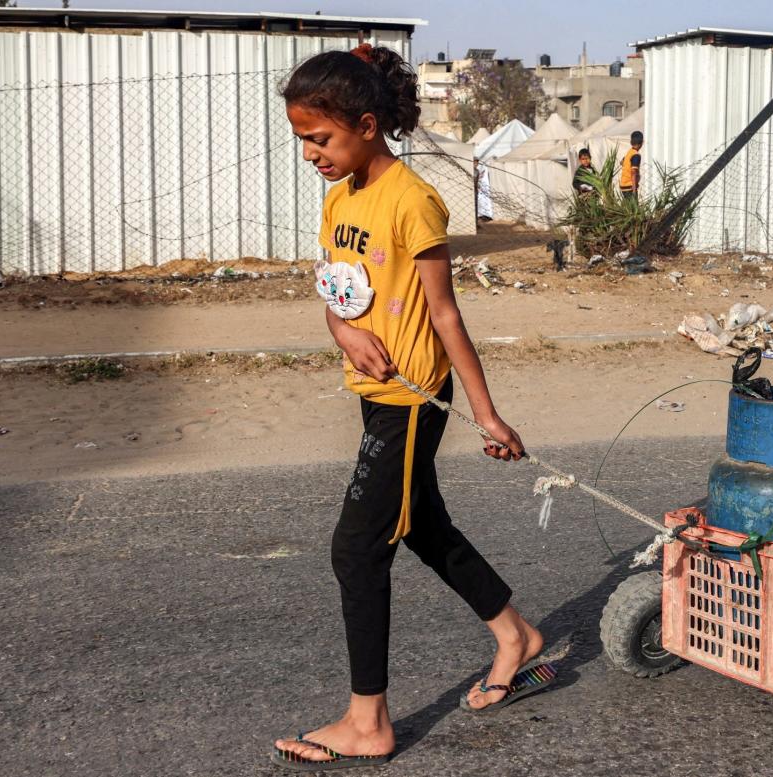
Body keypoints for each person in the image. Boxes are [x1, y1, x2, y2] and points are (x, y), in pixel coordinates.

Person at [272, 43, 550, 770]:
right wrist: (344, 330)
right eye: (301, 139)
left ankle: (369, 722)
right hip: (372, 390)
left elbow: (447, 315)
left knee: (357, 548)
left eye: (320, 138)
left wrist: (488, 415)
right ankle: (514, 633)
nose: (310, 154)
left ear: (367, 125)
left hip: (412, 397)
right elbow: (335, 290)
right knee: (421, 521)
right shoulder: (339, 198)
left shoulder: (414, 200)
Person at [619, 130, 643, 200]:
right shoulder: (636, 155)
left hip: (623, 185)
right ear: (641, 143)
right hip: (629, 186)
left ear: (631, 142)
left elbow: (621, 162)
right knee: (633, 209)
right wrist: (634, 189)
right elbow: (633, 172)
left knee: (627, 207)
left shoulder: (629, 152)